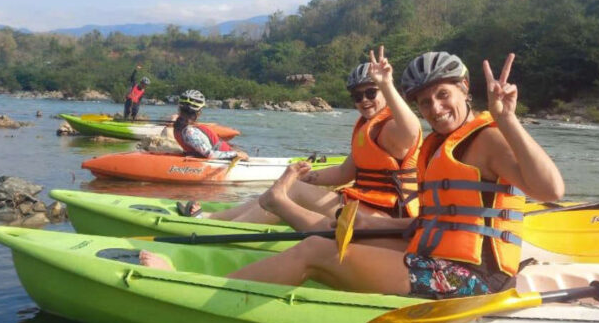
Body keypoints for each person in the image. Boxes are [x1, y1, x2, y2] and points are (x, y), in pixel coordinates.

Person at [141, 49, 565, 301]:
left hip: (472, 279)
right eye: (425, 101)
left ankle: (193, 288)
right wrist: (376, 224)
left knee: (314, 251)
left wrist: (509, 119)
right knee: (342, 232)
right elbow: (439, 217)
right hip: (435, 256)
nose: (435, 108)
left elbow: (552, 191)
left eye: (443, 95)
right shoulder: (438, 145)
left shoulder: (489, 138)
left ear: (464, 87)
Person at [175, 47, 423, 226]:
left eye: (371, 92)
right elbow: (344, 173)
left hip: (389, 219)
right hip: (365, 207)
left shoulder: (392, 128)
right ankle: (218, 218)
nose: (365, 100)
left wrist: (387, 85)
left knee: (289, 193)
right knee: (289, 185)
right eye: (358, 97)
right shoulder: (368, 128)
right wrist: (304, 175)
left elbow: (412, 131)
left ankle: (220, 226)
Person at [170, 89, 249, 164]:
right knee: (240, 152)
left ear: (179, 109)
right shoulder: (189, 132)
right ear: (199, 112)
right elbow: (209, 154)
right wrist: (235, 154)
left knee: (235, 147)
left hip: (222, 153)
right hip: (223, 157)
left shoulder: (178, 126)